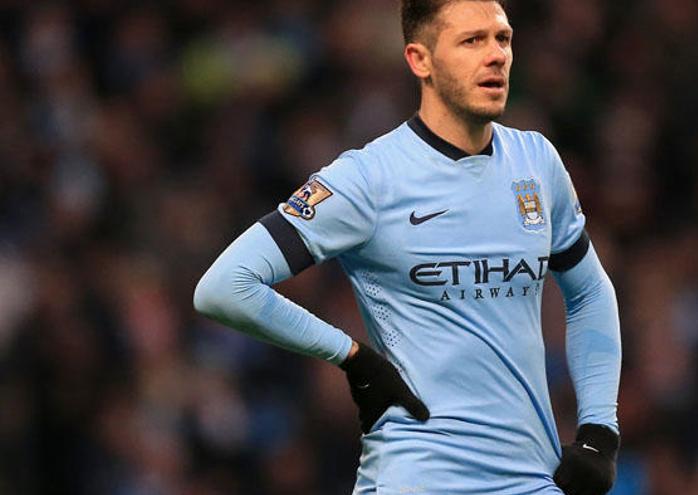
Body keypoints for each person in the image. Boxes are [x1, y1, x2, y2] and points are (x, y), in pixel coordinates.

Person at [193, 0, 622, 493]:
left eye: (501, 38)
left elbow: (589, 291)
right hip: (418, 476)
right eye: (471, 41)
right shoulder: (369, 178)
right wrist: (352, 357)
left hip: (532, 478)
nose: (496, 56)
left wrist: (598, 430)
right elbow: (225, 286)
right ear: (421, 60)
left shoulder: (536, 162)